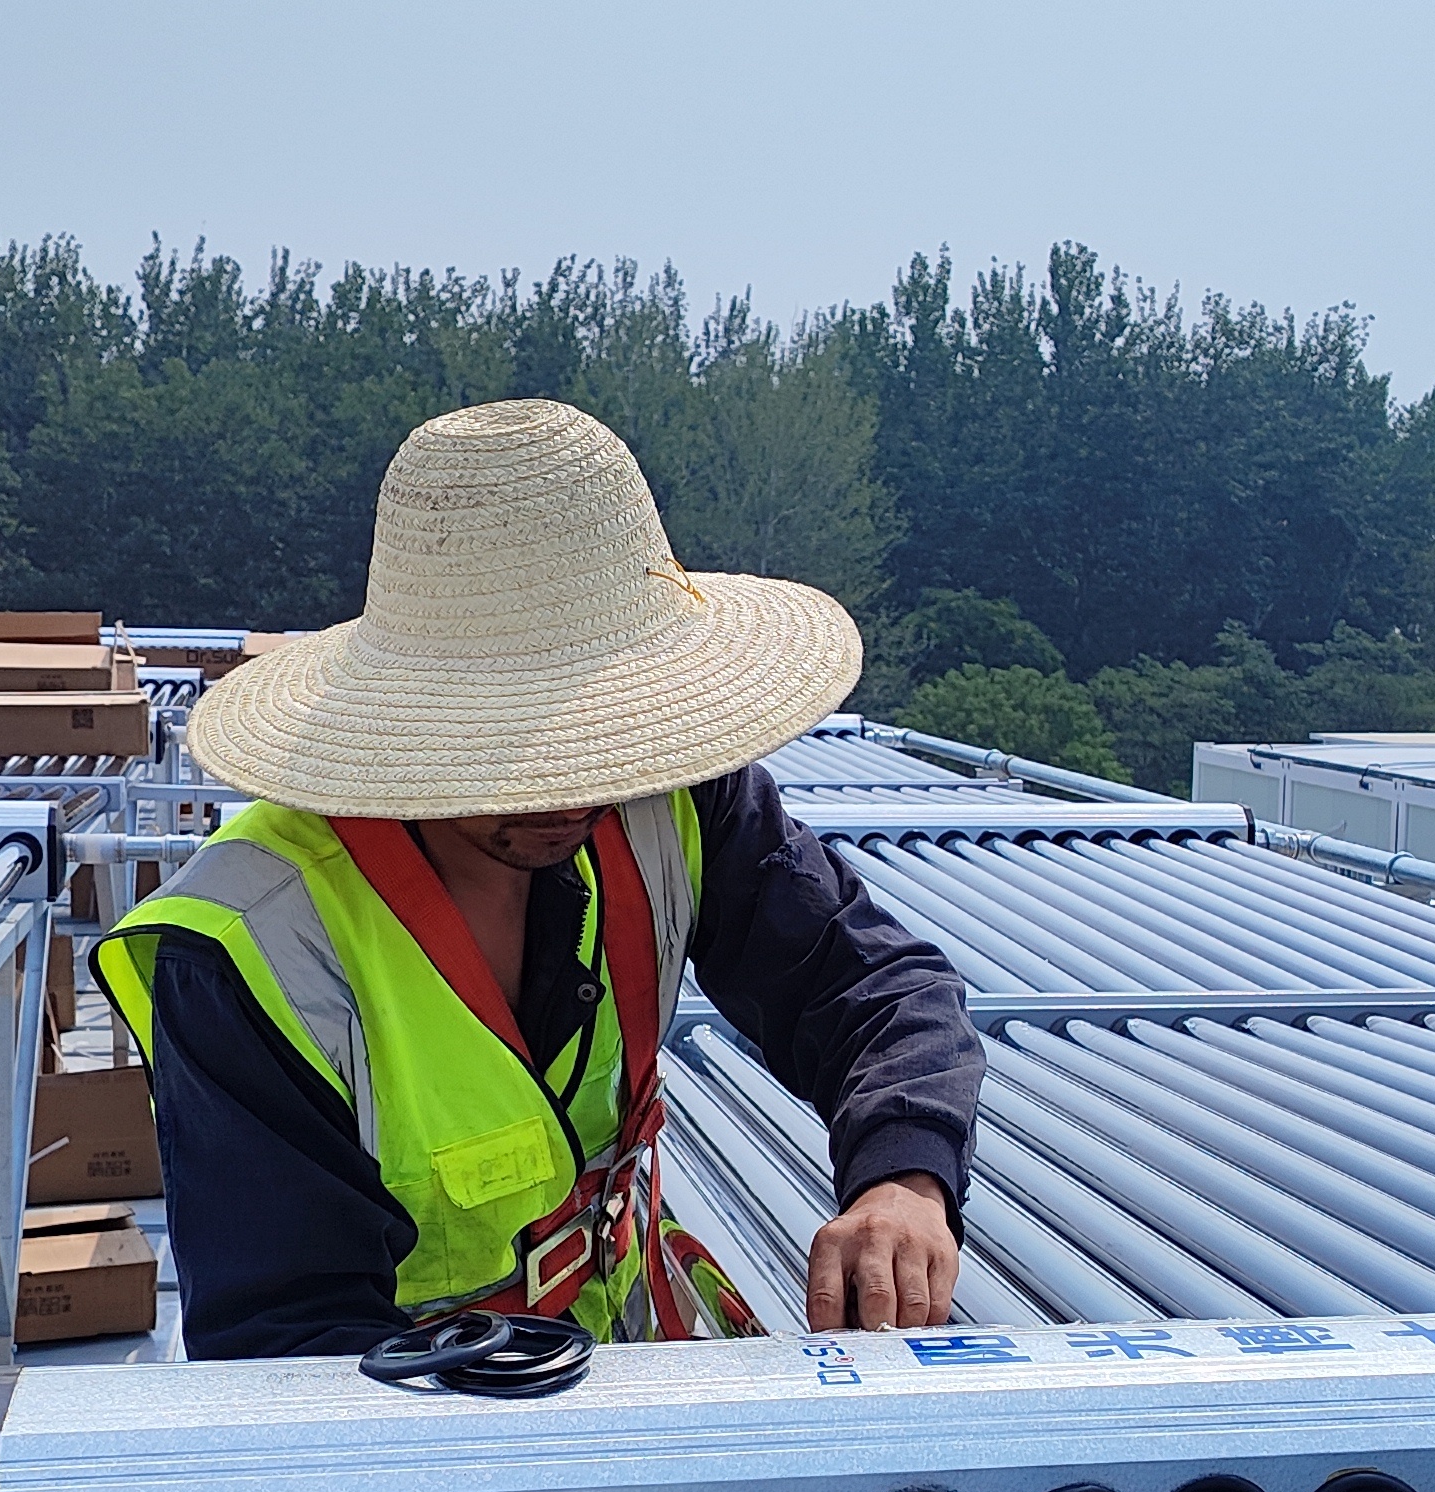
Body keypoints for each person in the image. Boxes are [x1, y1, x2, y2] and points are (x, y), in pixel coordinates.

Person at [96, 398, 978, 1362]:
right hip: (406, 1466)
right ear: (411, 715)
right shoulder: (251, 949)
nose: (571, 787)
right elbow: (292, 1345)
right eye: (516, 743)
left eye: (596, 732)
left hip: (627, 1357)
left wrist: (905, 1181)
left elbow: (876, 988)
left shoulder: (672, 803)